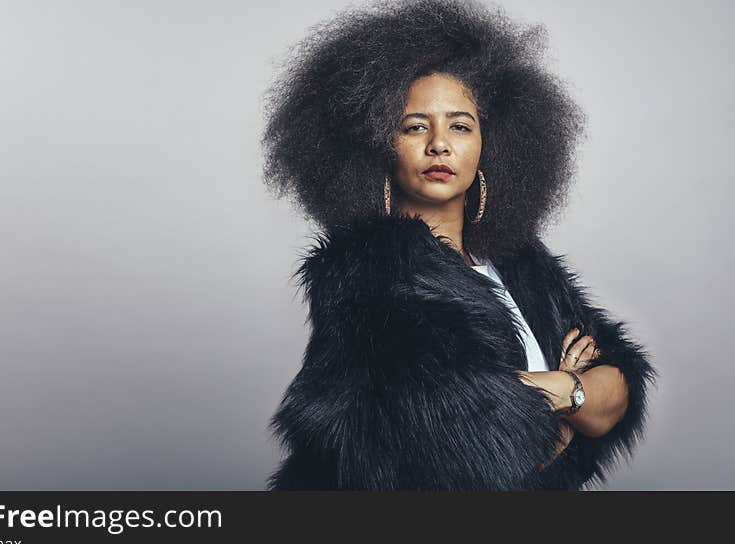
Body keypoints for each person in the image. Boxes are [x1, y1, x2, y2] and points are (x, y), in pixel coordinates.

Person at [261, 0, 657, 490]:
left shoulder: (522, 266)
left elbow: (618, 387)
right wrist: (573, 394)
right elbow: (455, 455)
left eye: (460, 125)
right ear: (378, 146)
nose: (439, 144)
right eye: (414, 125)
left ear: (490, 147)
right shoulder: (363, 272)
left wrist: (554, 394)